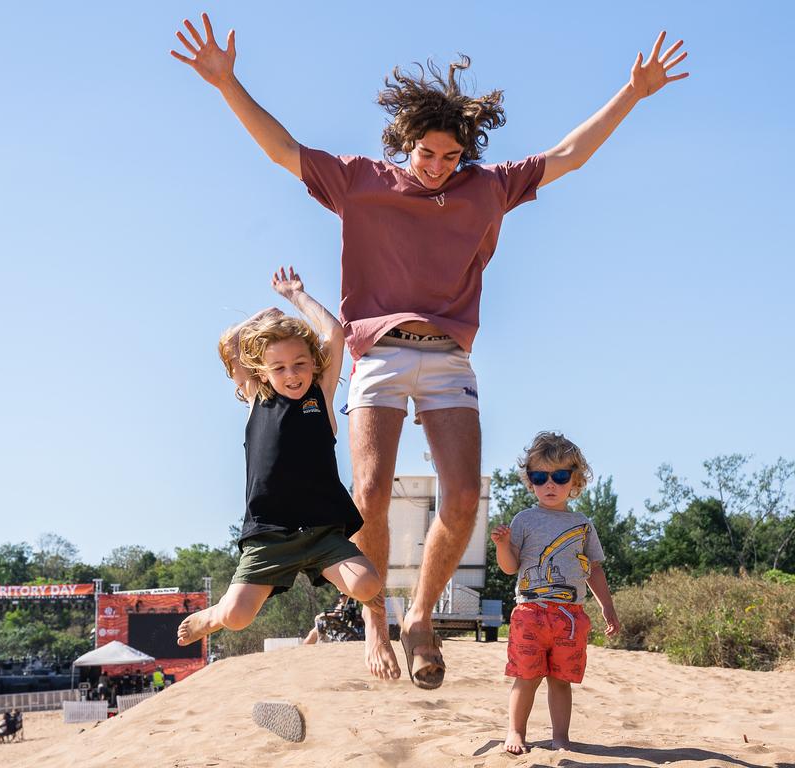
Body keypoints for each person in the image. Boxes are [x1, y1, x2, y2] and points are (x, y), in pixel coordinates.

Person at [171, 12, 686, 687]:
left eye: (451, 156)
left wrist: (632, 92)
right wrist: (226, 83)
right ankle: (377, 624)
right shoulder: (360, 181)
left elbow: (568, 156)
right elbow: (282, 149)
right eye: (427, 154)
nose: (440, 167)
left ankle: (419, 619)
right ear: (404, 143)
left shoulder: (488, 187)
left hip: (447, 356)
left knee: (466, 496)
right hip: (378, 353)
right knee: (369, 491)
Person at [177, 267, 383, 647]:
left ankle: (377, 626)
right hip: (270, 536)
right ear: (263, 371)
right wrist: (264, 318)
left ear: (313, 363)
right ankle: (212, 616)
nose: (292, 374)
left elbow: (334, 334)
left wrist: (296, 296)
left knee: (368, 585)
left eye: (300, 364)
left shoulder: (318, 397)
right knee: (237, 618)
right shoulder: (258, 394)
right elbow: (233, 345)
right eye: (280, 368)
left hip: (321, 532)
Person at [490, 432, 621, 754]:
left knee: (561, 680)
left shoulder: (583, 524)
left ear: (575, 480)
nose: (550, 484)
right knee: (526, 677)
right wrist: (502, 545)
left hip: (571, 616)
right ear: (530, 480)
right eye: (540, 476)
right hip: (530, 613)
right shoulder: (524, 519)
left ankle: (561, 738)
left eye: (560, 476)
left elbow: (594, 569)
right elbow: (510, 567)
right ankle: (515, 732)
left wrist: (608, 607)